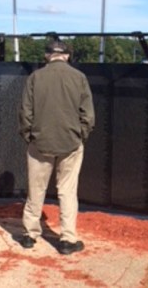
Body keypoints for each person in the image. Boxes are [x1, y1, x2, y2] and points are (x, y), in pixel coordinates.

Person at [18, 40, 95, 255]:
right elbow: (88, 115)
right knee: (67, 191)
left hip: (39, 143)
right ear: (67, 56)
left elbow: (25, 113)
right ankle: (67, 239)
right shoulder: (79, 78)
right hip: (70, 143)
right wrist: (80, 136)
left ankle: (29, 235)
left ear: (47, 55)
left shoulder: (35, 77)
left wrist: (30, 137)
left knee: (36, 189)